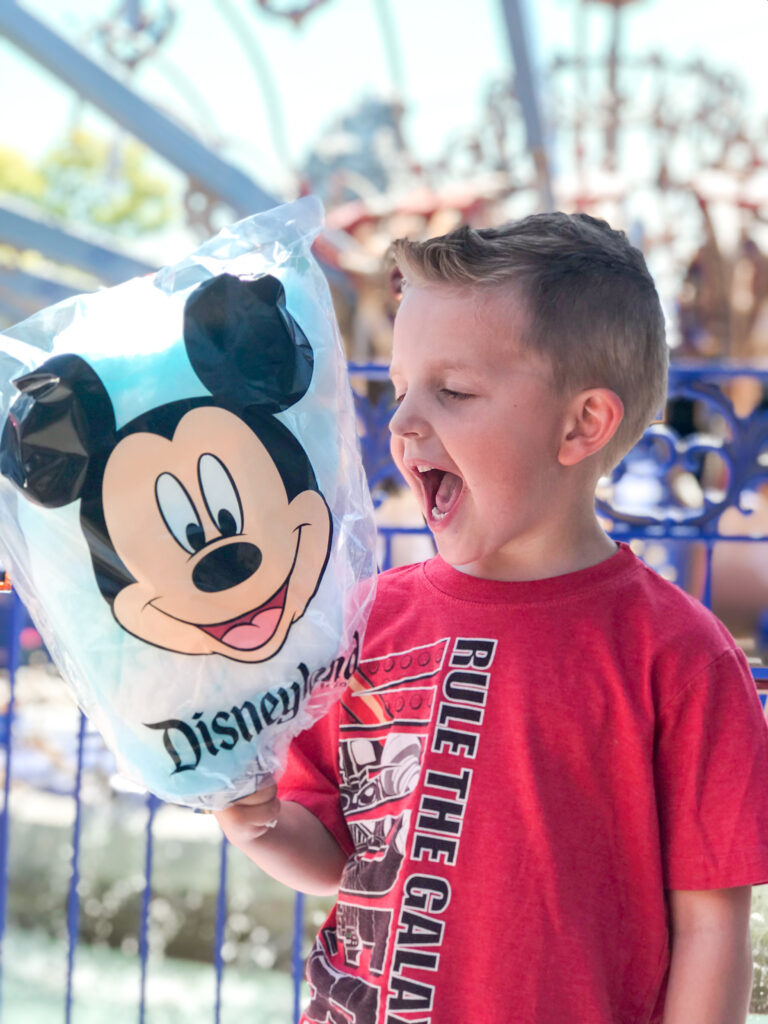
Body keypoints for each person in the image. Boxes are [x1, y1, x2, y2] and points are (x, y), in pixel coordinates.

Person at [215, 213, 768, 1024]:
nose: (402, 423)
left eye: (454, 391)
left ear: (583, 424)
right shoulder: (362, 624)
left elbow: (714, 926)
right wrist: (255, 820)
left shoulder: (679, 657)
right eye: (401, 387)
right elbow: (338, 859)